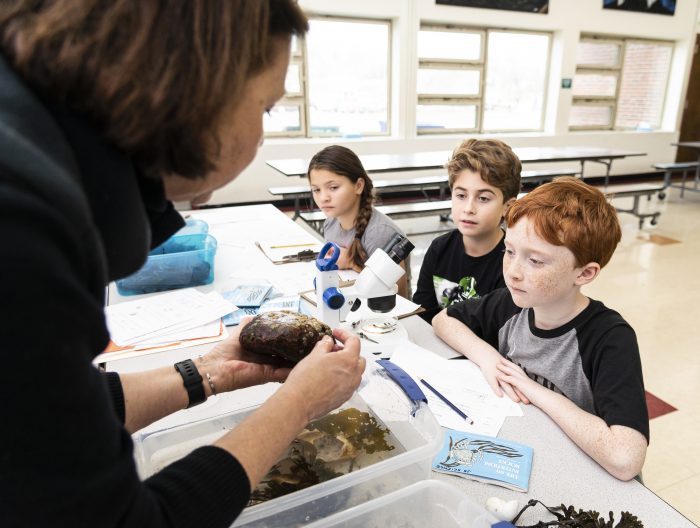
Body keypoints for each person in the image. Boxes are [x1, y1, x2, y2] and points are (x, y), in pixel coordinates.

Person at [0, 2, 365, 527]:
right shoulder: (23, 237)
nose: (262, 136)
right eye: (264, 108)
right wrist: (298, 405)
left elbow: (46, 417)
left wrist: (209, 372)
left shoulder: (34, 162)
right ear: (197, 89)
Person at [432, 177, 648, 481]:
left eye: (535, 260)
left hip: (584, 475)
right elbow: (443, 320)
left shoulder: (610, 338)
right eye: (509, 251)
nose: (513, 271)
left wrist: (533, 390)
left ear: (585, 273)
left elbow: (626, 459)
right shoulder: (513, 303)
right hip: (531, 451)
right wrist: (489, 358)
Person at [413, 138, 521, 322]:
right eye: (461, 195)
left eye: (484, 198)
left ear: (507, 206)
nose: (468, 208)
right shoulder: (440, 248)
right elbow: (422, 316)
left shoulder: (513, 263)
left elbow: (500, 335)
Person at [307, 145, 410, 297]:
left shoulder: (380, 233)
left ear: (358, 186)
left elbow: (399, 296)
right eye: (316, 190)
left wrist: (351, 262)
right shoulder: (330, 223)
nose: (323, 198)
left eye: (333, 187)